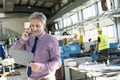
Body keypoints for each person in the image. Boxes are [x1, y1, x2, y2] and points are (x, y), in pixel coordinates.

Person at [9, 12, 62, 80]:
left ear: (44, 25)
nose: (34, 29)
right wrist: (22, 40)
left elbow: (58, 62)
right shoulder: (28, 39)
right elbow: (11, 53)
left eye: (37, 26)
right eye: (32, 25)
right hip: (31, 78)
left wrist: (42, 67)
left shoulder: (51, 40)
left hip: (46, 78)